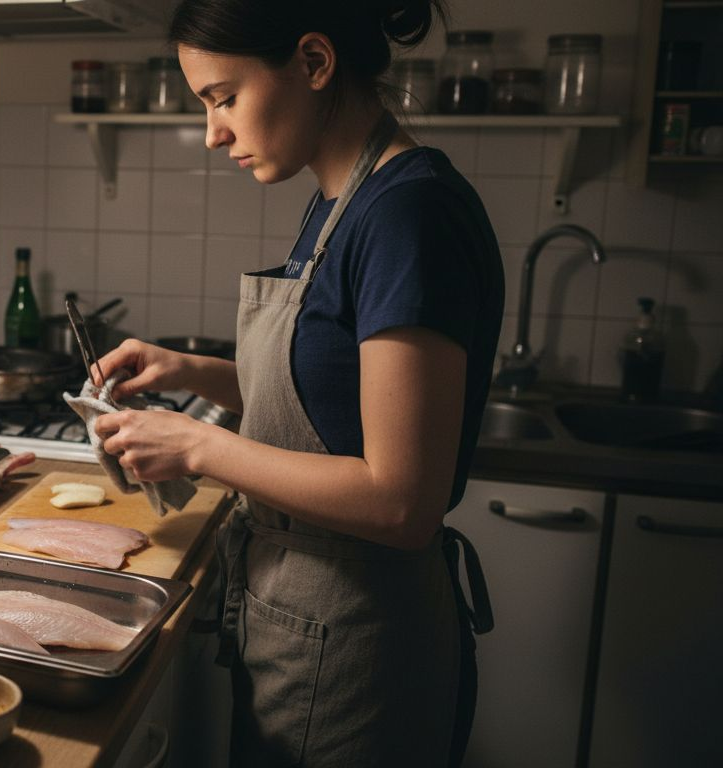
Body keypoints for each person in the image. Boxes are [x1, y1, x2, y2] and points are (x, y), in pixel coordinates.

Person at [91, 0, 503, 765]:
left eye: (223, 97)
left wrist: (198, 446)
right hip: (300, 617)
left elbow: (401, 499)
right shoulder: (340, 202)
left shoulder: (407, 215)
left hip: (358, 644)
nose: (213, 131)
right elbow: (335, 405)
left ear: (314, 62)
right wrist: (194, 373)